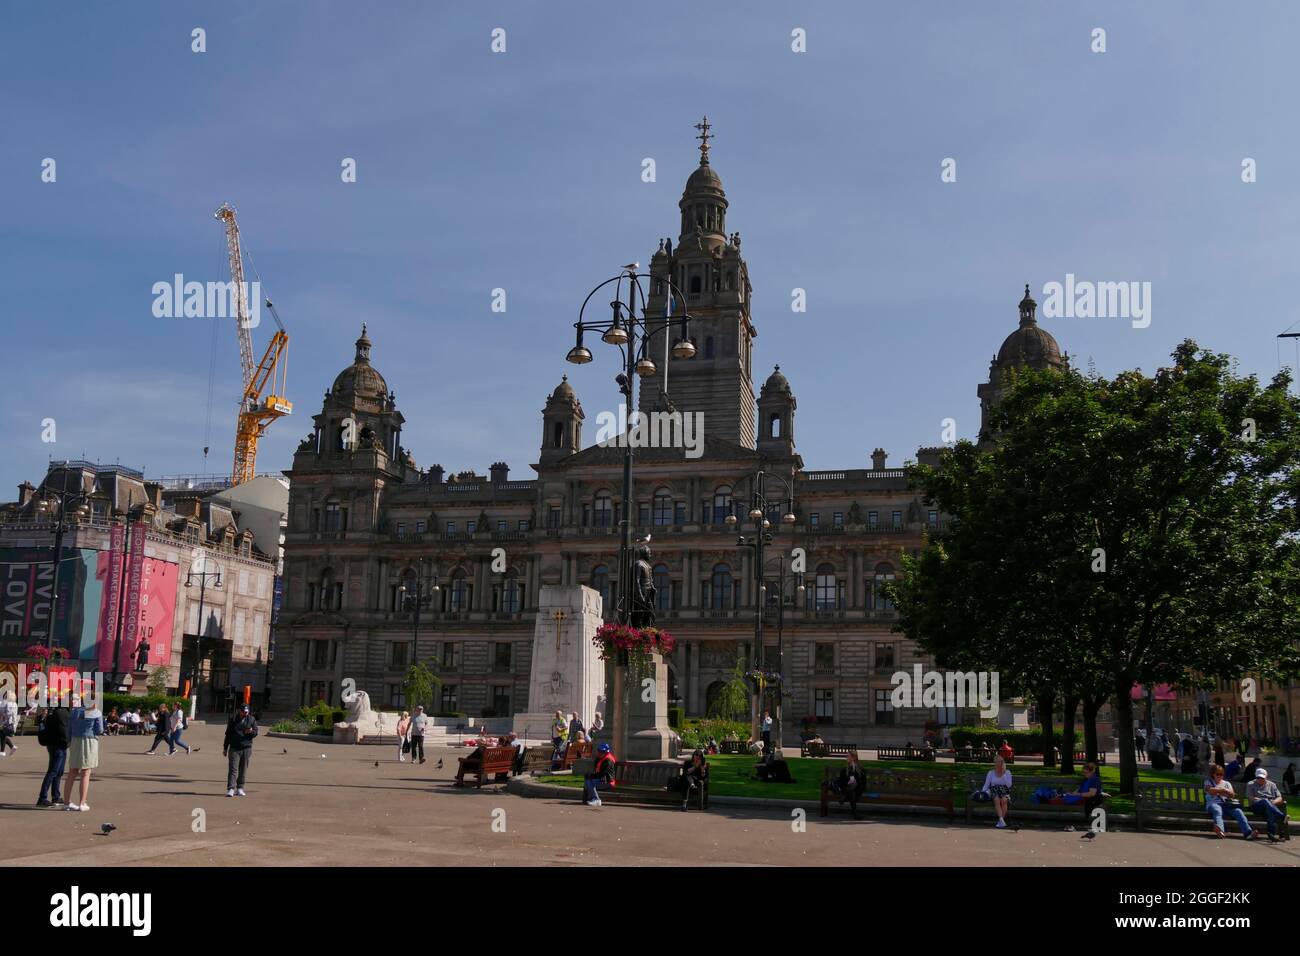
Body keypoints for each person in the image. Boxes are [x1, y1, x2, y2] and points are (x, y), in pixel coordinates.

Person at [63, 695, 104, 812]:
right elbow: (99, 730)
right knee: (85, 772)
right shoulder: (96, 712)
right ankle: (82, 802)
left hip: (75, 740)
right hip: (89, 741)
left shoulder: (74, 712)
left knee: (72, 771)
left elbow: (69, 729)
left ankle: (66, 802)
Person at [36, 703, 70, 807]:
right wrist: (68, 742)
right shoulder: (62, 713)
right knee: (53, 771)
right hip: (58, 744)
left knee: (58, 772)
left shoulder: (55, 712)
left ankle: (56, 796)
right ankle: (42, 798)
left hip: (55, 744)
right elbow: (63, 730)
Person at [223, 703, 258, 797]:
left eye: (247, 712)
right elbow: (228, 735)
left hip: (246, 748)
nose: (245, 714)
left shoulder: (251, 719)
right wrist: (225, 748)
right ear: (239, 711)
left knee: (243, 769)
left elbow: (255, 732)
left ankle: (240, 788)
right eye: (243, 712)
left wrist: (251, 732)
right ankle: (231, 789)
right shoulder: (233, 720)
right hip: (234, 748)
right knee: (233, 769)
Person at [1246, 768, 1288, 842]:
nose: (1260, 779)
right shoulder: (1250, 784)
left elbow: (1279, 797)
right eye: (1258, 777)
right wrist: (1264, 801)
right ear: (1255, 776)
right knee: (1265, 802)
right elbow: (1251, 797)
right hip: (1256, 806)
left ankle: (1271, 835)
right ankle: (1281, 816)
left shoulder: (1272, 784)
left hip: (1270, 805)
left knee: (1270, 811)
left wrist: (1271, 803)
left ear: (1266, 777)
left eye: (1262, 778)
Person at [830, 749, 866, 819]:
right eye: (847, 756)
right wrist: (847, 782)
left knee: (853, 786)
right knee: (851, 792)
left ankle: (844, 798)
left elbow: (862, 782)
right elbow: (842, 780)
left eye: (848, 757)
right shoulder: (845, 769)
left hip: (858, 789)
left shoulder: (860, 769)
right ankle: (855, 814)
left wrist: (853, 770)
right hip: (847, 789)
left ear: (854, 757)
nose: (847, 758)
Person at [982, 754, 1014, 828]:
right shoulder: (991, 772)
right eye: (996, 762)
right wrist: (983, 792)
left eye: (1000, 762)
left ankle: (1001, 821)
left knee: (1004, 800)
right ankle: (1001, 820)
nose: (998, 764)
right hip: (994, 790)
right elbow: (986, 785)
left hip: (1004, 791)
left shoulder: (1007, 772)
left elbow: (1009, 785)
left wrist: (1003, 774)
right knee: (996, 799)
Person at [583, 742, 617, 807]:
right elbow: (597, 770)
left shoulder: (608, 760)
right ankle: (590, 799)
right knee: (587, 781)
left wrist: (591, 776)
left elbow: (602, 774)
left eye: (601, 751)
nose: (599, 753)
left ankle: (596, 800)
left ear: (606, 752)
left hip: (608, 782)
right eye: (599, 751)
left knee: (589, 782)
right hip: (602, 780)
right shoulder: (601, 758)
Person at [0, 691, 17, 755]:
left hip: (6, 723)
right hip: (8, 723)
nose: (4, 696)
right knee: (2, 735)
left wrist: (3, 724)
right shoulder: (13, 704)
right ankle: (11, 747)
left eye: (5, 695)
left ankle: (2, 751)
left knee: (2, 735)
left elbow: (8, 714)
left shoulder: (9, 704)